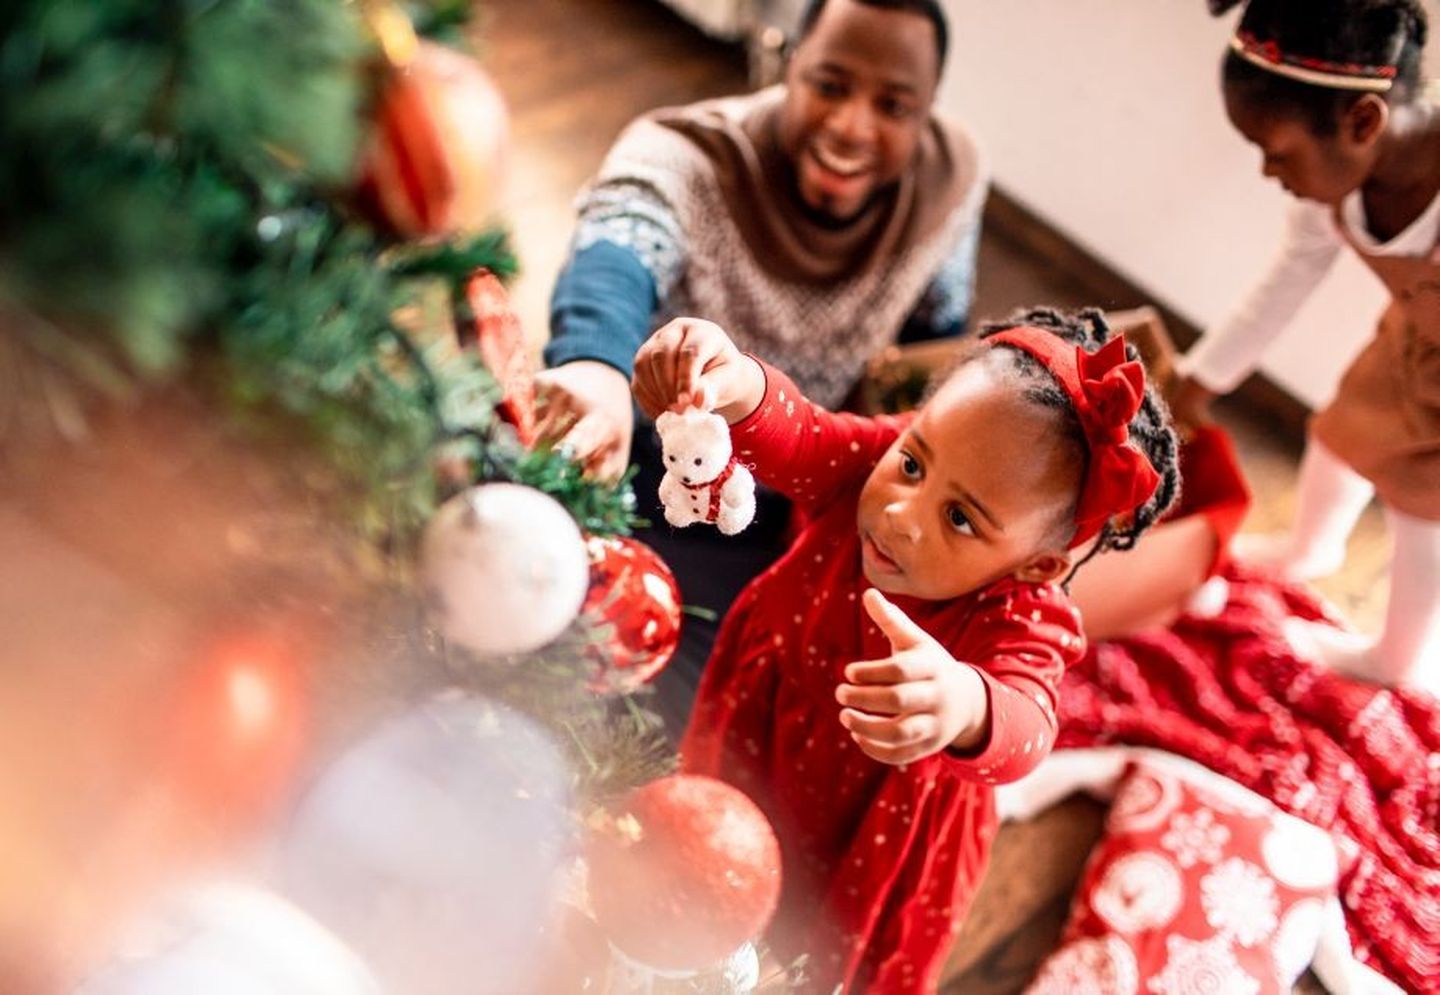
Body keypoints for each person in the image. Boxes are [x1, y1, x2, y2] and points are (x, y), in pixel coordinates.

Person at [630, 308, 1181, 991]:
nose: (899, 513)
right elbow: (801, 437)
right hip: (761, 726)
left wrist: (964, 702)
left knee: (809, 956)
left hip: (875, 825)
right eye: (913, 462)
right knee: (707, 868)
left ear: (1037, 565)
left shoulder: (1022, 611)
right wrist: (732, 379)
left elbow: (1030, 724)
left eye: (959, 517)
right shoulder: (877, 462)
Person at [536, 0, 987, 726]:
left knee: (718, 702)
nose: (851, 127)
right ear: (785, 67)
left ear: (928, 112)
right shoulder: (684, 153)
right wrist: (595, 366)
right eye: (830, 85)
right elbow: (619, 243)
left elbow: (936, 335)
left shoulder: (953, 176)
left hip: (778, 497)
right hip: (635, 458)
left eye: (894, 106)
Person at [1172, 0, 1440, 687]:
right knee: (1340, 433)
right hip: (1415, 339)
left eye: (1276, 152)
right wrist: (1197, 380)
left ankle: (1397, 659)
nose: (1268, 171)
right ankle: (1308, 550)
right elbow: (1281, 288)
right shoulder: (1334, 189)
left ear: (1361, 123)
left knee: (1422, 512)